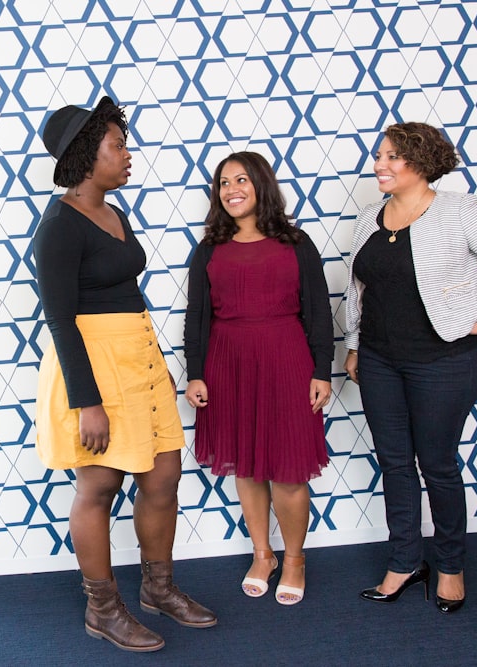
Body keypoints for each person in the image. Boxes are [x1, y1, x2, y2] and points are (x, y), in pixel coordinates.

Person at [32, 96, 216, 653]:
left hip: (139, 355)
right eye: (118, 145)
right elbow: (60, 320)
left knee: (162, 475)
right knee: (100, 483)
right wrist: (88, 402)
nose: (128, 154)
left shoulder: (113, 211)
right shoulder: (60, 224)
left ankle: (158, 589)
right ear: (87, 156)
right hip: (94, 365)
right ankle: (103, 609)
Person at [343, 122, 477, 613]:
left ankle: (450, 565)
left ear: (423, 162)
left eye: (394, 157)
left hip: (444, 362)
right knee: (394, 463)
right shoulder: (369, 218)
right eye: (379, 155)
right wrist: (352, 345)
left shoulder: (458, 212)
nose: (381, 165)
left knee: (437, 464)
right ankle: (405, 561)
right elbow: (358, 290)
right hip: (378, 360)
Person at [183, 151, 333, 606]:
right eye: (224, 182)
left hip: (287, 358)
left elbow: (319, 309)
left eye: (242, 180)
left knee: (287, 468)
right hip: (228, 363)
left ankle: (293, 559)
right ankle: (262, 553)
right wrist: (195, 374)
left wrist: (321, 370)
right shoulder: (209, 246)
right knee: (246, 464)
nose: (231, 189)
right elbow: (197, 316)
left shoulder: (296, 241)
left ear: (261, 185)